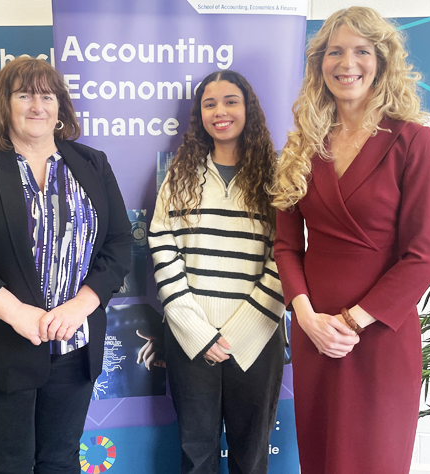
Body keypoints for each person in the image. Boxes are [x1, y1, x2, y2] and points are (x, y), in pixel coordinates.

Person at [0, 57, 132, 474]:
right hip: (1, 344)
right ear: (3, 105)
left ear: (61, 107)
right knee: (9, 465)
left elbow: (118, 244)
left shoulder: (92, 164)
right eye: (24, 95)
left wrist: (81, 306)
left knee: (60, 461)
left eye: (47, 95)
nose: (37, 105)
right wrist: (16, 313)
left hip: (73, 345)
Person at [271, 7, 430, 474]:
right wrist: (306, 318)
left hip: (379, 336)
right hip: (313, 332)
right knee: (321, 458)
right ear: (319, 64)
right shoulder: (302, 145)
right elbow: (286, 246)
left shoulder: (411, 140)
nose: (347, 63)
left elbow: (422, 256)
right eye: (334, 52)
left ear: (382, 61)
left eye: (361, 51)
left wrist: (349, 323)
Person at [149, 70, 286, 474]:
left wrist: (241, 333)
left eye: (230, 101)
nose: (220, 111)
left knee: (252, 454)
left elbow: (288, 255)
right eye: (209, 104)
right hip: (192, 339)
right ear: (199, 115)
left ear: (249, 109)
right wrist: (198, 332)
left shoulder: (277, 177)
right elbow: (162, 245)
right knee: (196, 455)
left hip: (258, 338)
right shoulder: (180, 174)